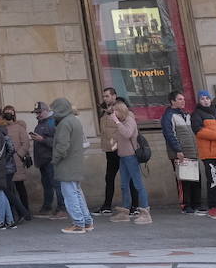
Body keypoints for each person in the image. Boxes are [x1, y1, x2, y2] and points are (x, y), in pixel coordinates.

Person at [51, 97, 91, 234]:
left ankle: (78, 223)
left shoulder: (64, 123)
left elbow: (62, 146)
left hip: (67, 165)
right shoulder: (74, 120)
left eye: (54, 109)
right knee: (77, 193)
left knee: (70, 195)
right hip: (75, 163)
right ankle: (87, 221)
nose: (53, 112)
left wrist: (55, 159)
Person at [111, 100, 151, 224]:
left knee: (138, 184)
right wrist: (114, 142)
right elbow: (121, 136)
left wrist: (117, 122)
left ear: (121, 111)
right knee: (124, 185)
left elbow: (128, 134)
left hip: (131, 156)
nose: (114, 113)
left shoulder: (129, 120)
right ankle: (125, 211)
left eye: (115, 111)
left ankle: (145, 213)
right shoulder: (122, 122)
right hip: (122, 156)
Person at [162, 90, 201, 214]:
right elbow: (169, 134)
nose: (183, 101)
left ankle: (196, 203)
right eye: (179, 99)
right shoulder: (169, 116)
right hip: (180, 153)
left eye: (183, 99)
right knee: (183, 180)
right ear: (172, 101)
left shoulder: (186, 114)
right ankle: (185, 204)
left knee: (194, 178)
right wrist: (178, 150)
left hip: (191, 151)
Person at [96, 87, 127, 215]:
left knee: (127, 178)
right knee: (109, 178)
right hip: (109, 149)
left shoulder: (121, 109)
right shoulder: (104, 111)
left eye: (107, 96)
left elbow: (123, 127)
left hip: (120, 148)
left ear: (114, 96)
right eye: (104, 96)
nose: (105, 98)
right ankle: (107, 205)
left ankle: (133, 206)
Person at [30, 102, 63, 217]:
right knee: (47, 185)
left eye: (39, 112)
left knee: (56, 184)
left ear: (46, 110)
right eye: (36, 113)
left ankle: (62, 208)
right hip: (43, 160)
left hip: (51, 159)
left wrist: (42, 139)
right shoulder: (41, 123)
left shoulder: (52, 122)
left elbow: (58, 142)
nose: (37, 115)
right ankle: (47, 207)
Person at [2, 106, 33, 224]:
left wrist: (19, 155)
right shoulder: (2, 127)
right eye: (6, 113)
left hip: (17, 162)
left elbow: (25, 143)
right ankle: (15, 213)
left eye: (11, 113)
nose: (9, 115)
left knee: (20, 188)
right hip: (7, 162)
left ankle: (25, 211)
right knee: (10, 189)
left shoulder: (19, 127)